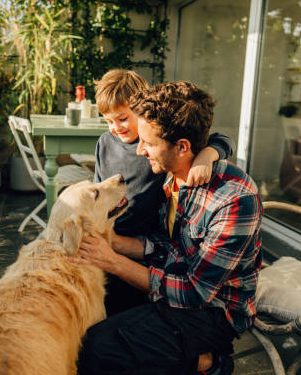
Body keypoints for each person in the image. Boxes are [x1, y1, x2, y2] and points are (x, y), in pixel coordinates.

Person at [75, 81, 263, 375]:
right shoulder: (173, 179)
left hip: (214, 312)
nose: (139, 152)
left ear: (183, 146)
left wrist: (113, 262)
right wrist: (114, 243)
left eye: (148, 144)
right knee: (95, 325)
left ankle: (211, 362)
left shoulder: (234, 200)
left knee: (98, 347)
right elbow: (165, 244)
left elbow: (194, 294)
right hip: (173, 283)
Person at [93, 69, 235, 315]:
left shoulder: (162, 146)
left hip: (148, 244)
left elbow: (221, 139)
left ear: (141, 110)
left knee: (128, 306)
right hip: (112, 232)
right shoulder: (105, 143)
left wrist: (207, 155)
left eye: (123, 118)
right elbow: (98, 188)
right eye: (108, 121)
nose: (116, 128)